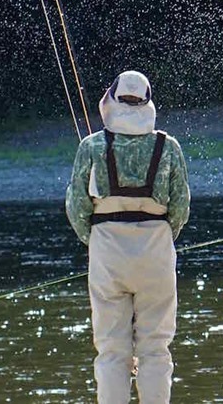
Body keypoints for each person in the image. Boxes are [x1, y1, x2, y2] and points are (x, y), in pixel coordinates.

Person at [66, 70, 190, 403]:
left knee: (110, 350)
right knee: (156, 348)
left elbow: (76, 208)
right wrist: (163, 237)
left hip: (107, 251)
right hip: (157, 249)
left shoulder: (91, 146)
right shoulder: (169, 146)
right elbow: (181, 208)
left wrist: (96, 242)